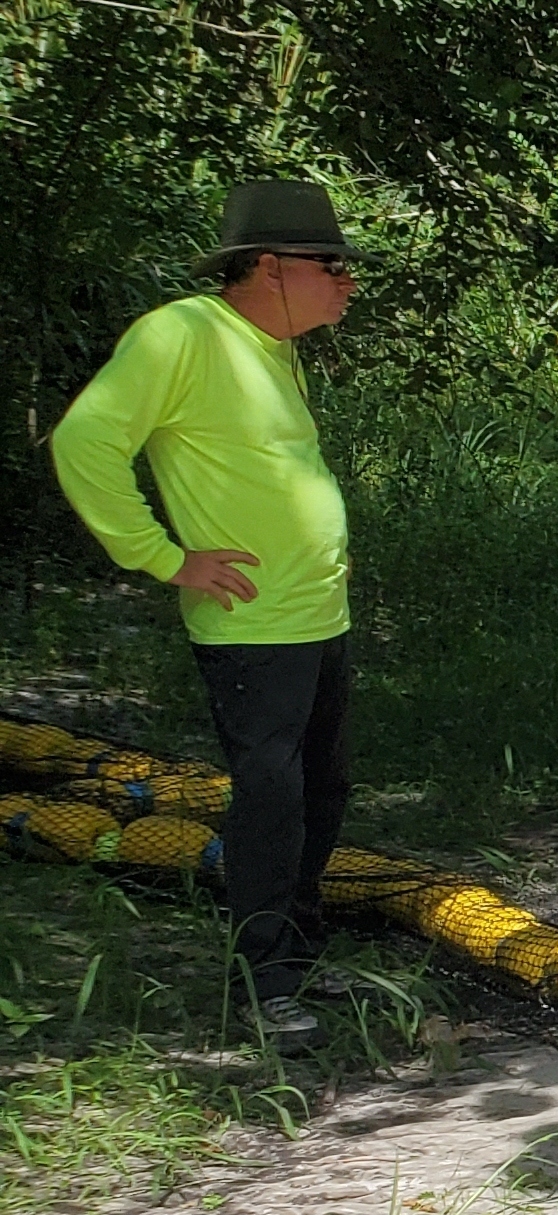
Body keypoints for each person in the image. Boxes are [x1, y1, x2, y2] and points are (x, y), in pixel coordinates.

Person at [47, 180, 367, 1056]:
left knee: (323, 789)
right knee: (271, 798)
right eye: (331, 266)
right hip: (253, 629)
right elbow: (86, 442)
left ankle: (295, 952)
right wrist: (162, 557)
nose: (347, 284)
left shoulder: (274, 347)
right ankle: (260, 980)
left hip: (316, 618)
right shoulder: (183, 333)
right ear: (266, 266)